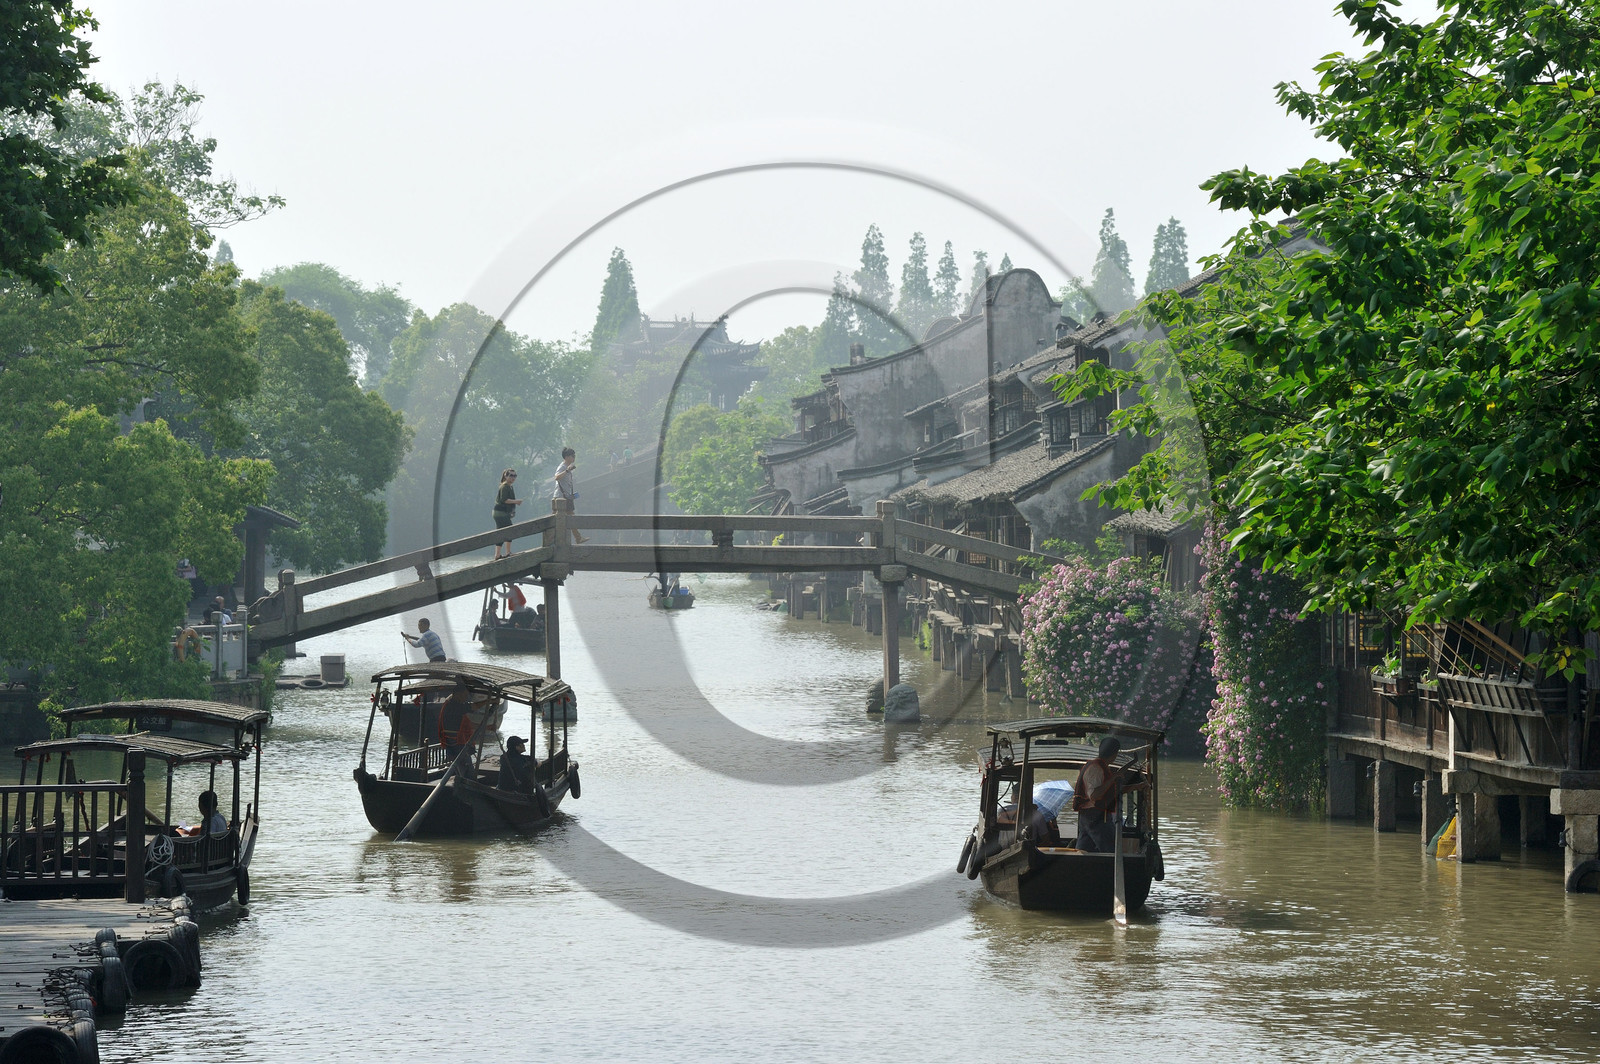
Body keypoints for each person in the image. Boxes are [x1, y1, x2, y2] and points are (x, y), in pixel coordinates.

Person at [1072, 736, 1146, 852]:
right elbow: (1095, 795)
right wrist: (1113, 778)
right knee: (1110, 850)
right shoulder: (1096, 768)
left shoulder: (1101, 766)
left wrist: (1133, 766)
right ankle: (1112, 869)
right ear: (1114, 754)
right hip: (1095, 816)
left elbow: (1114, 789)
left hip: (1089, 816)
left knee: (1083, 849)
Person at [552, 446, 589, 544]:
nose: (574, 458)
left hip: (566, 497)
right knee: (567, 518)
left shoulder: (566, 467)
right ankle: (577, 538)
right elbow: (556, 477)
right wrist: (567, 471)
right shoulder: (563, 467)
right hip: (561, 497)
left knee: (566, 518)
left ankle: (577, 538)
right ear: (567, 457)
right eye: (572, 456)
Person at [491, 468, 523, 559]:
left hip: (502, 512)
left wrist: (512, 511)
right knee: (510, 531)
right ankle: (508, 552)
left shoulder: (509, 486)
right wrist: (517, 501)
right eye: (511, 475)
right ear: (506, 476)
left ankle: (497, 555)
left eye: (515, 476)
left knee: (501, 532)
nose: (513, 478)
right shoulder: (504, 486)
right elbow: (504, 500)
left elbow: (509, 501)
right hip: (500, 512)